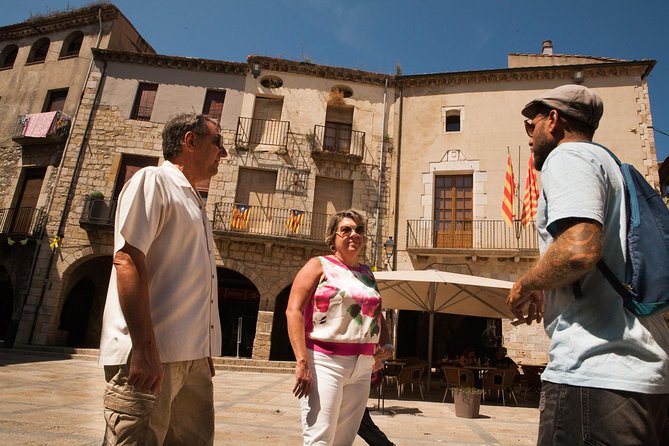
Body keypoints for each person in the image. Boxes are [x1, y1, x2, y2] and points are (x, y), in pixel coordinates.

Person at [507, 84, 669, 445]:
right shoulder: (614, 167)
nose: (529, 137)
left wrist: (528, 282)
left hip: (595, 374)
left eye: (529, 126)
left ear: (553, 120)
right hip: (647, 376)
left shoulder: (568, 157)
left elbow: (579, 249)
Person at [99, 113, 227, 445]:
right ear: (190, 141)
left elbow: (188, 281)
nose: (223, 153)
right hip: (150, 356)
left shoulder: (195, 202)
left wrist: (204, 350)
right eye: (218, 142)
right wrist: (142, 348)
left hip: (191, 359)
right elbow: (127, 258)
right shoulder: (152, 181)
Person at [286, 209, 394, 445]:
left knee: (343, 440)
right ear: (333, 238)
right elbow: (293, 311)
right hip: (326, 362)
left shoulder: (367, 273)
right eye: (346, 229)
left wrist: (387, 344)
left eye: (359, 230)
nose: (353, 234)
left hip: (363, 367)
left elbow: (377, 313)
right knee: (320, 438)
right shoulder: (318, 265)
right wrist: (302, 361)